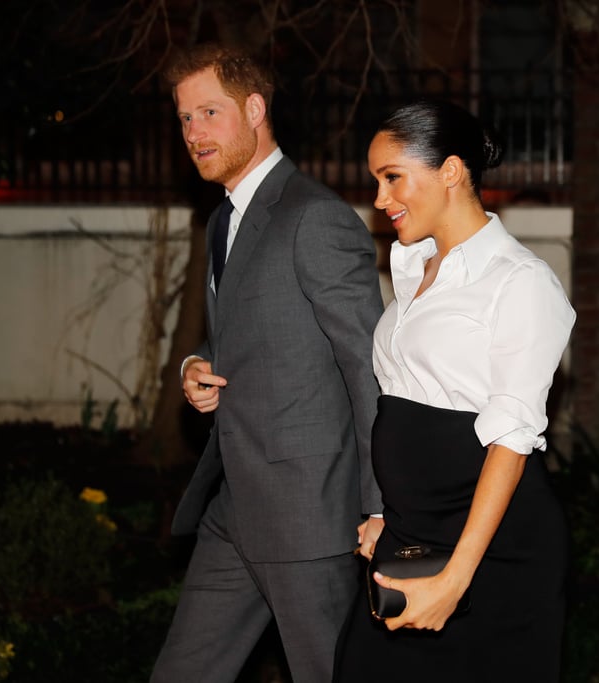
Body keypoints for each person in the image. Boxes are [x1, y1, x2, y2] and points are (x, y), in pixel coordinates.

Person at [150, 43, 385, 683]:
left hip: (307, 517)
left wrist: (381, 504)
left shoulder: (314, 218)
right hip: (234, 507)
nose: (193, 133)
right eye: (183, 118)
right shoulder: (223, 220)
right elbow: (244, 339)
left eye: (208, 112)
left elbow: (367, 367)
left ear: (254, 109)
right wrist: (195, 368)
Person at [333, 100, 575, 682]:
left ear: (451, 170)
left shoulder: (521, 282)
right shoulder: (413, 268)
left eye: (393, 177)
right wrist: (388, 514)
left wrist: (455, 579)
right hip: (414, 533)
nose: (381, 199)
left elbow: (512, 440)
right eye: (376, 182)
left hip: (489, 550)